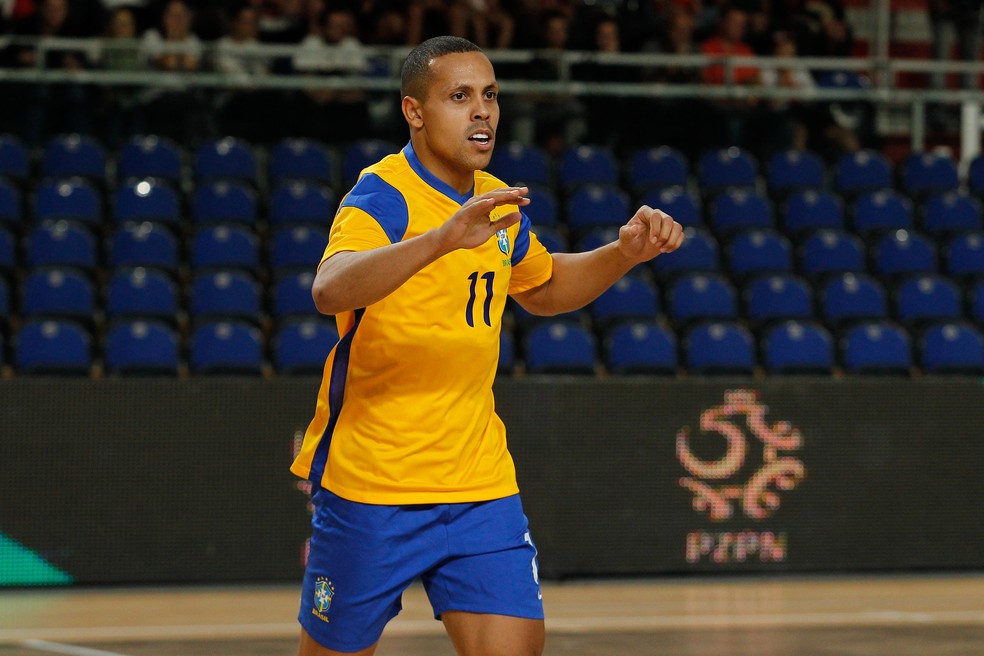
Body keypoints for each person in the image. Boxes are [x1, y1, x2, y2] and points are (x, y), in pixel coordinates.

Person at [290, 35, 683, 656]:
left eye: (490, 95)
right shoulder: (381, 197)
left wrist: (623, 253)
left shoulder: (496, 203)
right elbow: (329, 288)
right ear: (414, 112)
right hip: (373, 488)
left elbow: (545, 287)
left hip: (479, 483)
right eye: (460, 96)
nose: (483, 111)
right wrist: (440, 240)